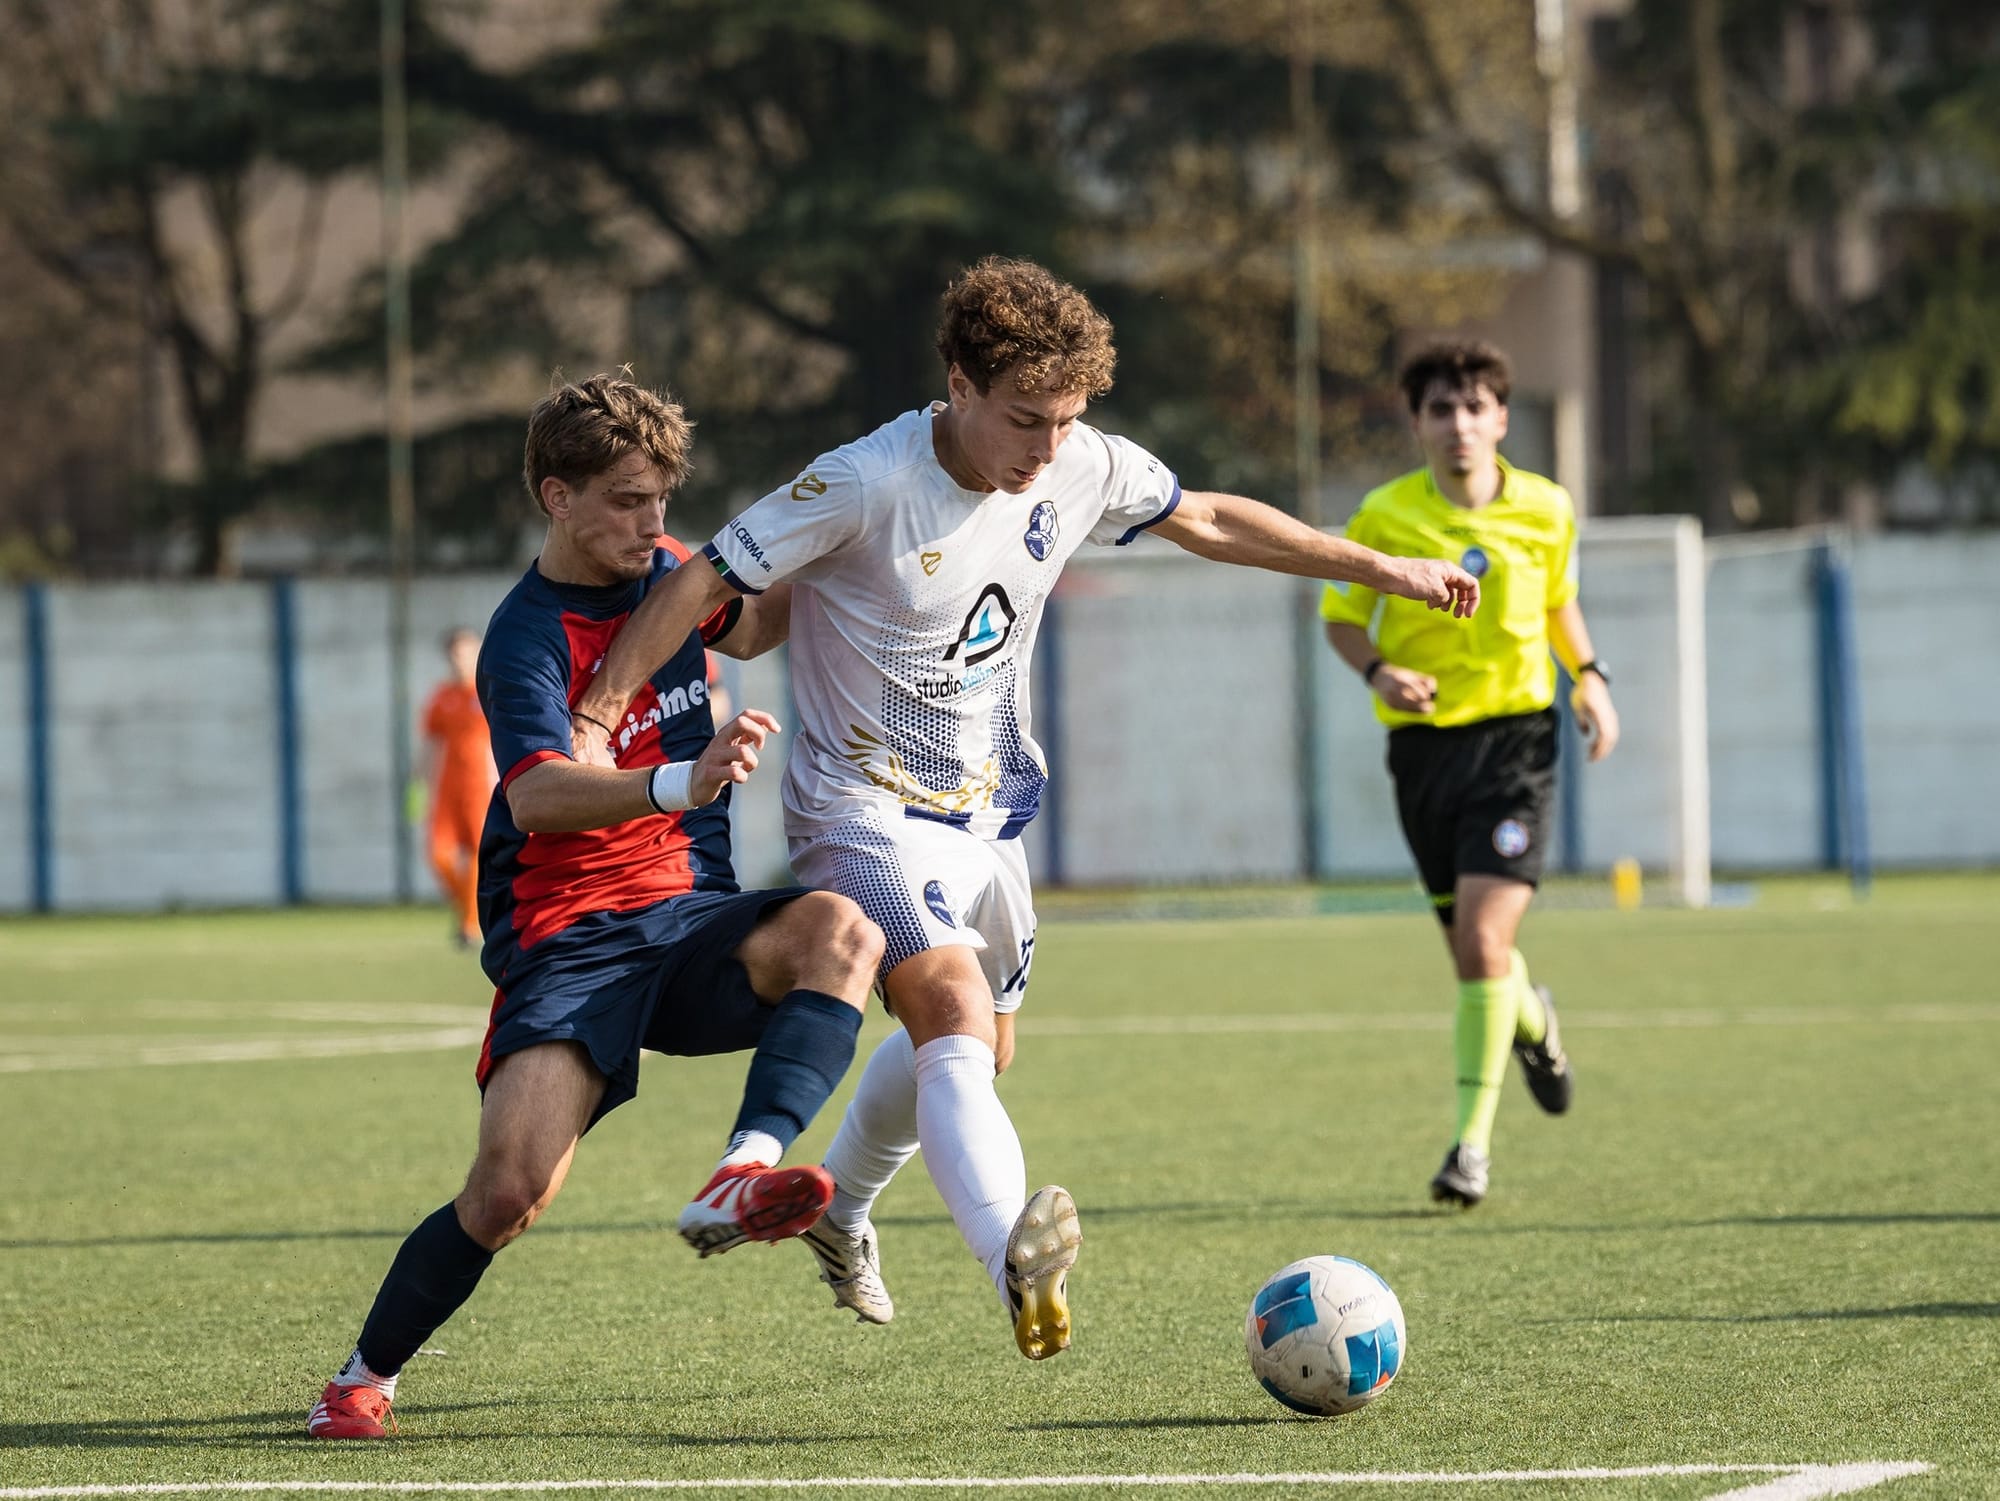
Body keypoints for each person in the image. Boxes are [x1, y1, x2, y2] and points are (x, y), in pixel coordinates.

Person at [568, 258, 1479, 1362]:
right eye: (1023, 419)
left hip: (988, 814)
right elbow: (704, 577)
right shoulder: (865, 480)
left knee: (977, 1051)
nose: (1046, 449)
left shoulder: (1076, 462)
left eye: (1065, 420)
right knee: (947, 1007)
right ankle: (1012, 1258)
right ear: (957, 379)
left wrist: (1378, 566)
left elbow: (1208, 518)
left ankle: (844, 1211)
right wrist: (603, 707)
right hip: (857, 808)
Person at [308, 373, 884, 1440]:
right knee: (506, 1194)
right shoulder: (525, 635)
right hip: (569, 940)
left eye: (661, 497)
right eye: (623, 498)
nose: (651, 522)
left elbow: (754, 626)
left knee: (841, 929)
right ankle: (358, 1377)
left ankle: (741, 1171)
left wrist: (861, 533)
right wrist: (685, 780)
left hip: (690, 918)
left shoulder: (673, 573)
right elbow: (536, 795)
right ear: (554, 496)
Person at [1320, 339, 1620, 1209]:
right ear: (1417, 423)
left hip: (1519, 745)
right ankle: (1535, 1018)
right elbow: (1342, 617)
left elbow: (1559, 600)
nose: (1459, 424)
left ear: (1500, 418)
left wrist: (1591, 677)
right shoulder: (1382, 515)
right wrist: (1379, 671)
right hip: (1424, 753)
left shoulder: (1547, 508)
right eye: (1440, 408)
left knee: (1486, 943)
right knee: (1476, 955)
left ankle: (1470, 1149)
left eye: (1474, 406)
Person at [421, 627, 498, 948]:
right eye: (455, 652)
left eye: (467, 651)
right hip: (447, 789)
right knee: (439, 857)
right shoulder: (441, 697)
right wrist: (418, 788)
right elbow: (428, 745)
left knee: (481, 856)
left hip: (481, 787)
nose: (460, 658)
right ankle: (468, 908)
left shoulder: (488, 691)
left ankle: (468, 926)